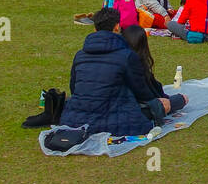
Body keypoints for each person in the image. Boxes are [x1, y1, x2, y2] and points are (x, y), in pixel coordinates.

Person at [60, 8, 174, 137]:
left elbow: (74, 88)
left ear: (95, 29)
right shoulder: (126, 56)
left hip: (76, 119)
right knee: (167, 104)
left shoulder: (80, 55)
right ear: (117, 27)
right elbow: (142, 92)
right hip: (112, 120)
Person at [121, 23, 188, 123]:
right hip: (134, 109)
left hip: (120, 107)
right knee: (182, 99)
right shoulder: (135, 66)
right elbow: (148, 96)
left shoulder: (117, 61)